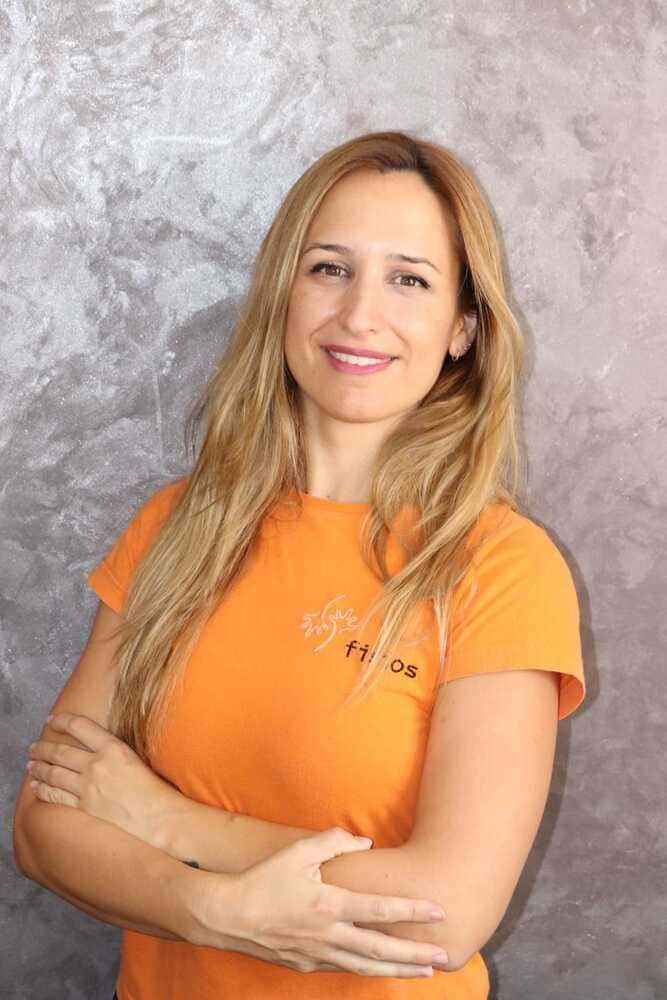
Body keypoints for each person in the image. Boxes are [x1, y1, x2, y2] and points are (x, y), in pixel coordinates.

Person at [13, 130, 586, 1000]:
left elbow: (446, 906)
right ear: (283, 292)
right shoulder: (174, 528)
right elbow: (46, 825)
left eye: (409, 279)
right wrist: (213, 910)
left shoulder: (500, 569)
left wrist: (163, 822)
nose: (360, 315)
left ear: (463, 326)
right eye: (328, 268)